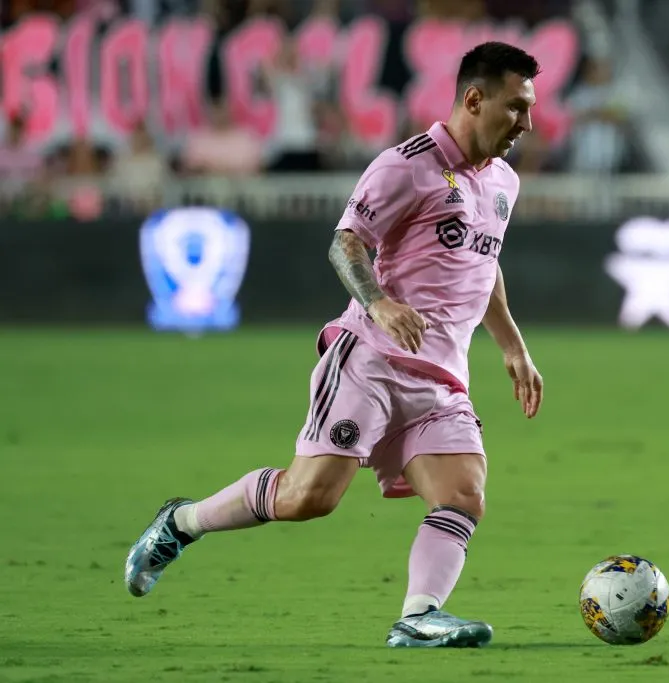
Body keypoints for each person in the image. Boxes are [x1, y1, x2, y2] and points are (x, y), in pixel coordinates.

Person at [124, 41, 545, 649]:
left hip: (441, 377)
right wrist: (378, 302)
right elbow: (346, 243)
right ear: (473, 99)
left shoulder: (503, 181)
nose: (526, 124)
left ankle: (419, 616)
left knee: (464, 492)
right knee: (307, 498)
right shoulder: (407, 165)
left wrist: (512, 346)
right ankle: (180, 523)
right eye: (515, 107)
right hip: (369, 362)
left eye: (529, 109)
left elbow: (484, 262)